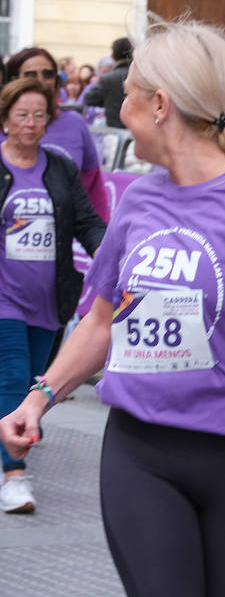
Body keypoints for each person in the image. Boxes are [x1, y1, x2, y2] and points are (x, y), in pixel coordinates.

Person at [0, 21, 225, 597]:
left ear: (160, 104)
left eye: (129, 92)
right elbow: (101, 321)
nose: (118, 106)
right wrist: (39, 397)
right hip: (140, 453)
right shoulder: (142, 201)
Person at [0, 78, 106, 513]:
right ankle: (15, 478)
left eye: (40, 116)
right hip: (4, 297)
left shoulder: (59, 167)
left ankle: (12, 439)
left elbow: (86, 221)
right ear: (5, 119)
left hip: (50, 300)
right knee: (13, 374)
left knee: (35, 383)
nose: (31, 124)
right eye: (22, 115)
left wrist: (111, 252)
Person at [4, 48, 109, 222]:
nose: (41, 81)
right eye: (30, 75)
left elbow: (93, 187)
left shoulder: (75, 123)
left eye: (48, 74)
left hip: (66, 239)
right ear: (14, 80)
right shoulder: (4, 124)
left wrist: (101, 240)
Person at [83, 37, 134, 127]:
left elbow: (89, 99)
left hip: (114, 130)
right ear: (132, 53)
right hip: (137, 130)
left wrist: (107, 100)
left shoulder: (108, 78)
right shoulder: (142, 76)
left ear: (113, 55)